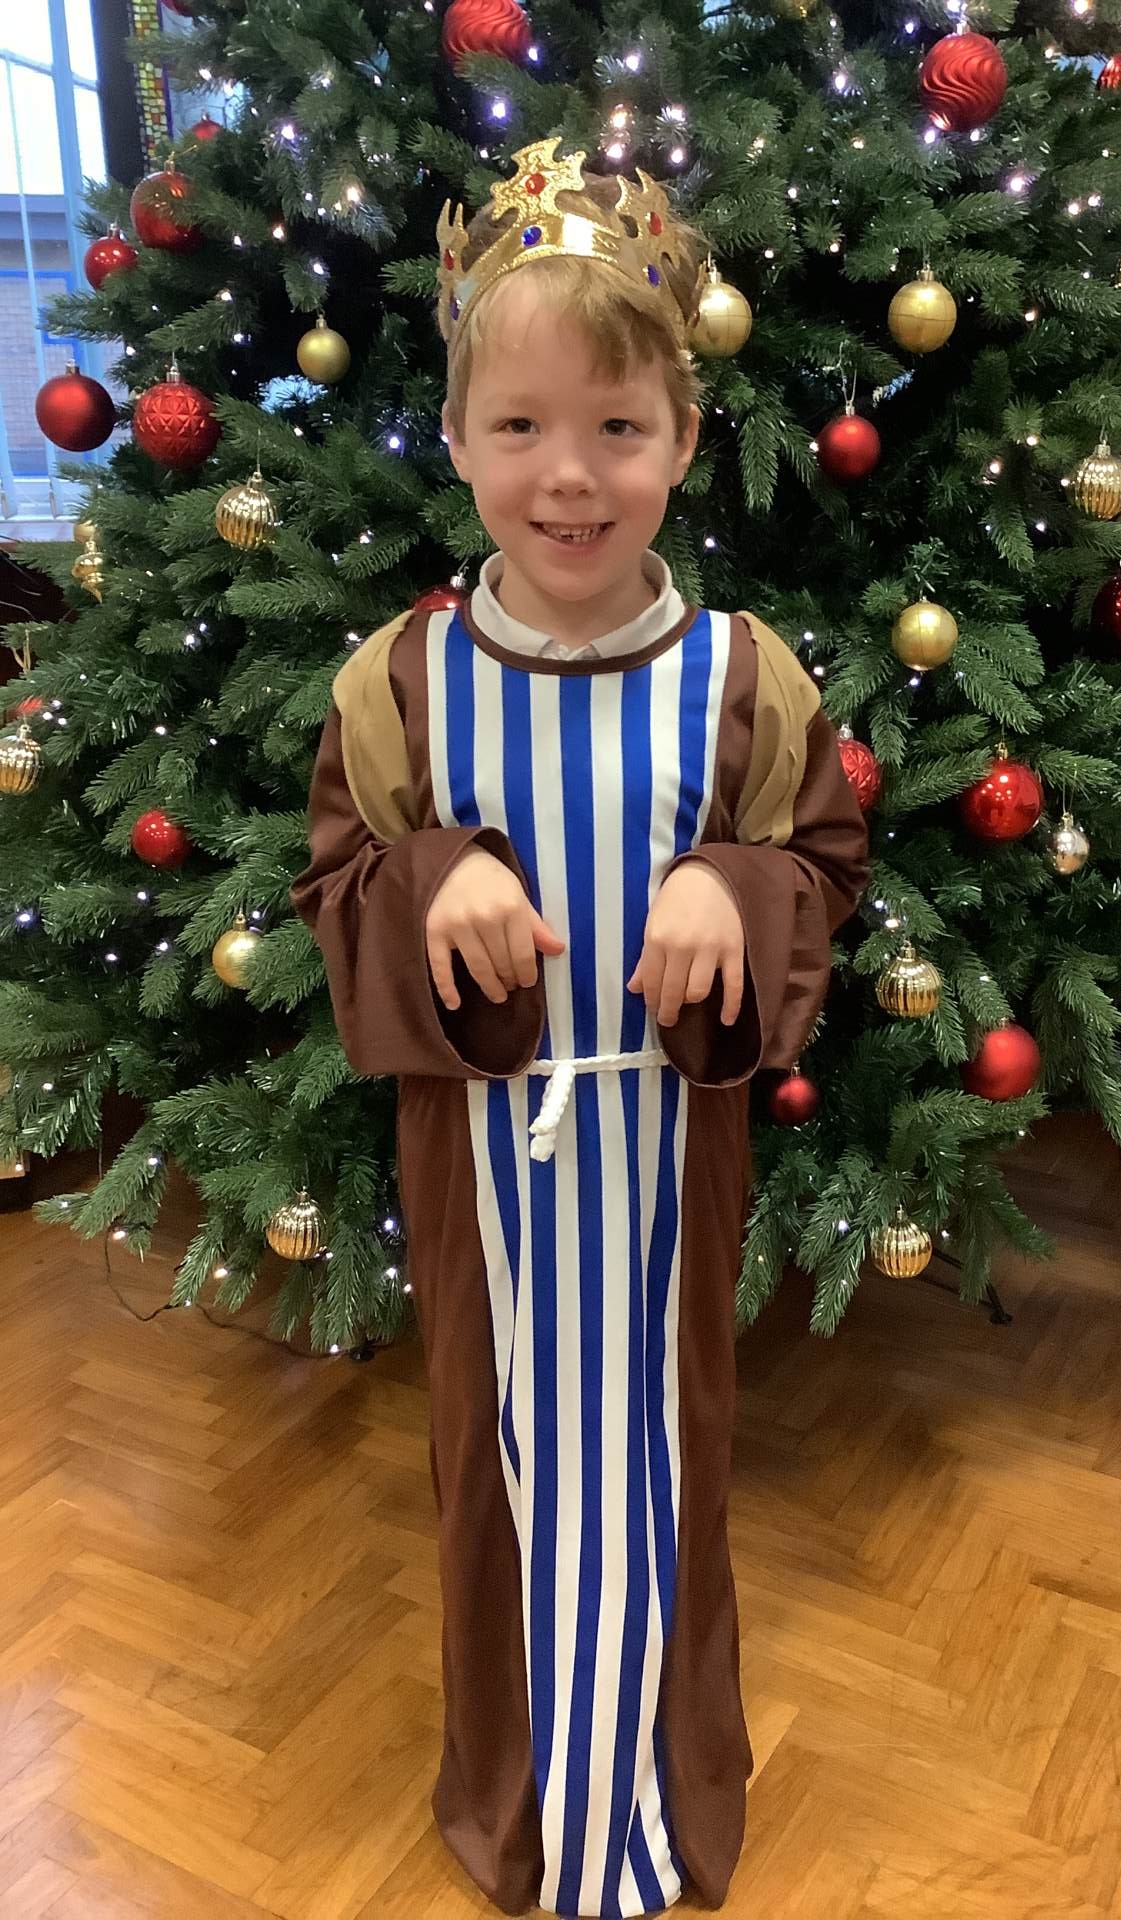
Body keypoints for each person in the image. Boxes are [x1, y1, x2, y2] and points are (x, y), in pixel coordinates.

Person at [291, 136, 871, 1920]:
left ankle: (665, 1796)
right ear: (458, 440)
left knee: (666, 1458)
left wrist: (737, 890)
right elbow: (336, 889)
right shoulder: (397, 685)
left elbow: (825, 873)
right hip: (482, 1158)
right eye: (523, 425)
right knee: (494, 1463)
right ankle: (521, 1803)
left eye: (619, 427)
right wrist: (432, 877)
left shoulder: (746, 679)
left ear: (684, 441)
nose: (570, 475)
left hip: (665, 1153)